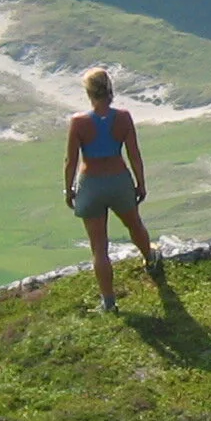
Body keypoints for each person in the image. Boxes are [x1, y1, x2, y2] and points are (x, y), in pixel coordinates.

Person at [64, 67, 161, 311]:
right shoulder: (124, 118)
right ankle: (150, 259)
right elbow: (134, 154)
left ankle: (109, 302)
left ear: (89, 92)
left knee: (99, 248)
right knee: (134, 224)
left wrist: (69, 189)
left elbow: (71, 161)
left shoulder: (79, 122)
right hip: (119, 180)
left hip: (91, 184)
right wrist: (141, 183)